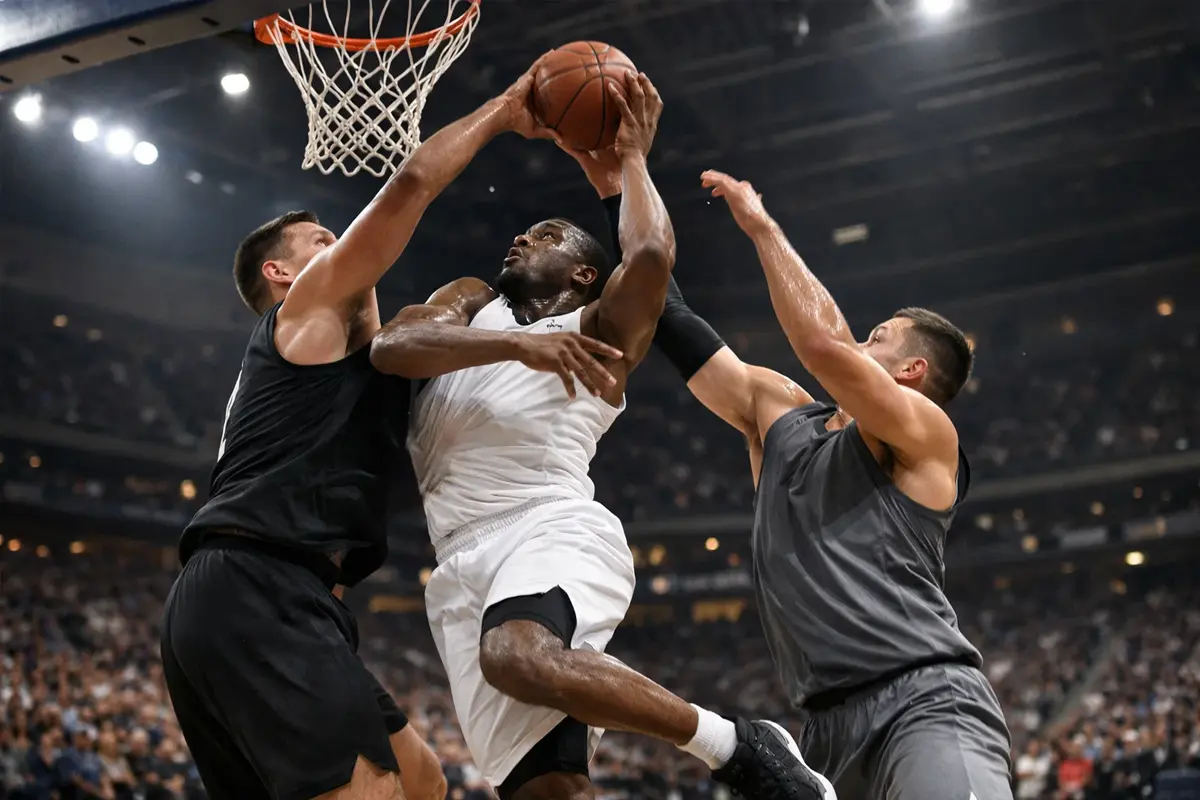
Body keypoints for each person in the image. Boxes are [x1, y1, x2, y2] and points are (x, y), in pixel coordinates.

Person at [370, 73, 835, 800]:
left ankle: (736, 745)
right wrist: (519, 347)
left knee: (517, 656)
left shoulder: (602, 331)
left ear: (585, 272)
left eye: (545, 235)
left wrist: (634, 161)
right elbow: (392, 348)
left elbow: (649, 259)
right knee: (547, 792)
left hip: (547, 525)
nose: (522, 237)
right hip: (455, 563)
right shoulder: (469, 301)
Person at [159, 60, 592, 800]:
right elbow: (411, 184)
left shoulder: (353, 355)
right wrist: (503, 110)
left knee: (424, 782)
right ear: (282, 275)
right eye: (319, 240)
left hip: (277, 597)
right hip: (256, 587)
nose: (339, 244)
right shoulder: (302, 315)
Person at [627, 168, 1014, 800]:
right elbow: (671, 316)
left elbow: (822, 345)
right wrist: (620, 176)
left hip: (924, 702)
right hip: (824, 733)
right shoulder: (782, 415)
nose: (859, 341)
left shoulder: (926, 434)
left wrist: (761, 226)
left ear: (912, 371)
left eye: (876, 338)